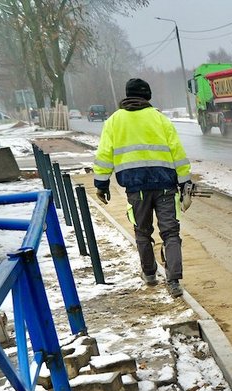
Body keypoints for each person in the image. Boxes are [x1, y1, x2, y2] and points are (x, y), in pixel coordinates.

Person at [93, 78, 192, 298]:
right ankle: (174, 281)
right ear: (147, 96)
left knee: (142, 231)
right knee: (171, 233)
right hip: (165, 185)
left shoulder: (113, 121)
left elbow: (104, 156)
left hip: (135, 188)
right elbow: (178, 153)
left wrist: (101, 184)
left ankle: (149, 274)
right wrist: (185, 183)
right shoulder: (160, 119)